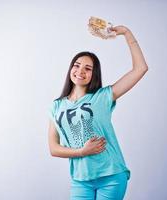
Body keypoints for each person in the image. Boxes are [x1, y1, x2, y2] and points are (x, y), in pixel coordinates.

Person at [48, 25, 148, 200]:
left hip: (111, 176)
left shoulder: (103, 97)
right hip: (80, 179)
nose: (80, 71)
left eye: (88, 68)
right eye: (77, 65)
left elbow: (140, 68)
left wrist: (127, 34)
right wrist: (82, 152)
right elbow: (53, 149)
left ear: (94, 74)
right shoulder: (56, 106)